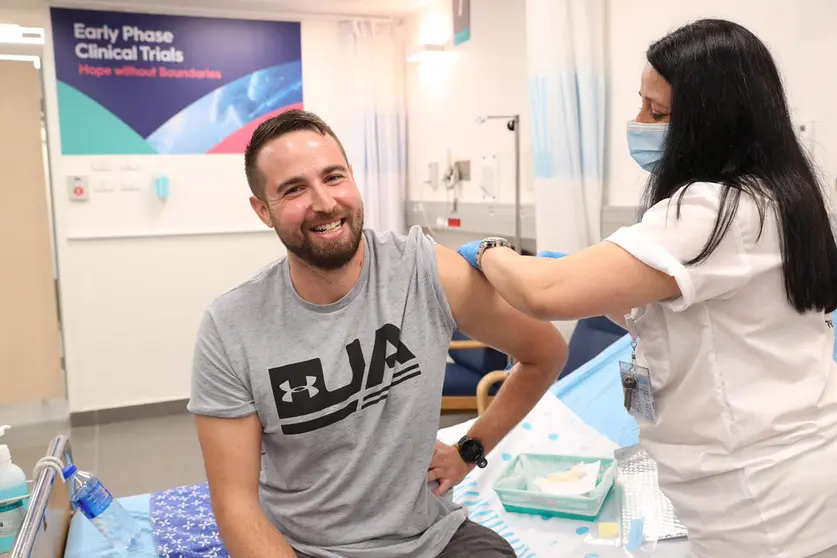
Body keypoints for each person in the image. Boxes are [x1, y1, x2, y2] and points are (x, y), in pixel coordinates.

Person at [457, 19, 837, 558]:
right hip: (794, 476)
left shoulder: (713, 208)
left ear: (713, 123)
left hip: (761, 501)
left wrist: (489, 250)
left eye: (657, 114)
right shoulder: (782, 198)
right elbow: (689, 313)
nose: (638, 123)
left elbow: (543, 295)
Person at [187, 109, 566, 558]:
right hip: (309, 549)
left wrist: (470, 449)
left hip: (430, 540)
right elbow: (236, 506)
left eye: (333, 177)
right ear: (262, 211)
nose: (324, 202)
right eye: (294, 189)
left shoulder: (423, 272)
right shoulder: (231, 327)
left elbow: (545, 352)